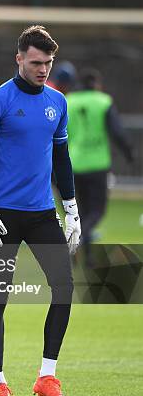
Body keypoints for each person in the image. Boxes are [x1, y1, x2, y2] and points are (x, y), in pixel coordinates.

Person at [0, 26, 81, 396]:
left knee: (64, 287)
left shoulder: (57, 103)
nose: (43, 69)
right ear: (19, 58)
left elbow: (61, 158)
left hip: (42, 213)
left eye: (48, 63)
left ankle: (47, 376)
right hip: (2, 215)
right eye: (36, 62)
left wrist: (71, 207)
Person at [66, 68, 134, 264]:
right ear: (96, 84)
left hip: (73, 164)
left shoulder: (68, 101)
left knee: (81, 212)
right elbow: (117, 132)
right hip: (96, 164)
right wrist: (129, 154)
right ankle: (78, 241)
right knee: (97, 211)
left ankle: (86, 258)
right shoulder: (103, 101)